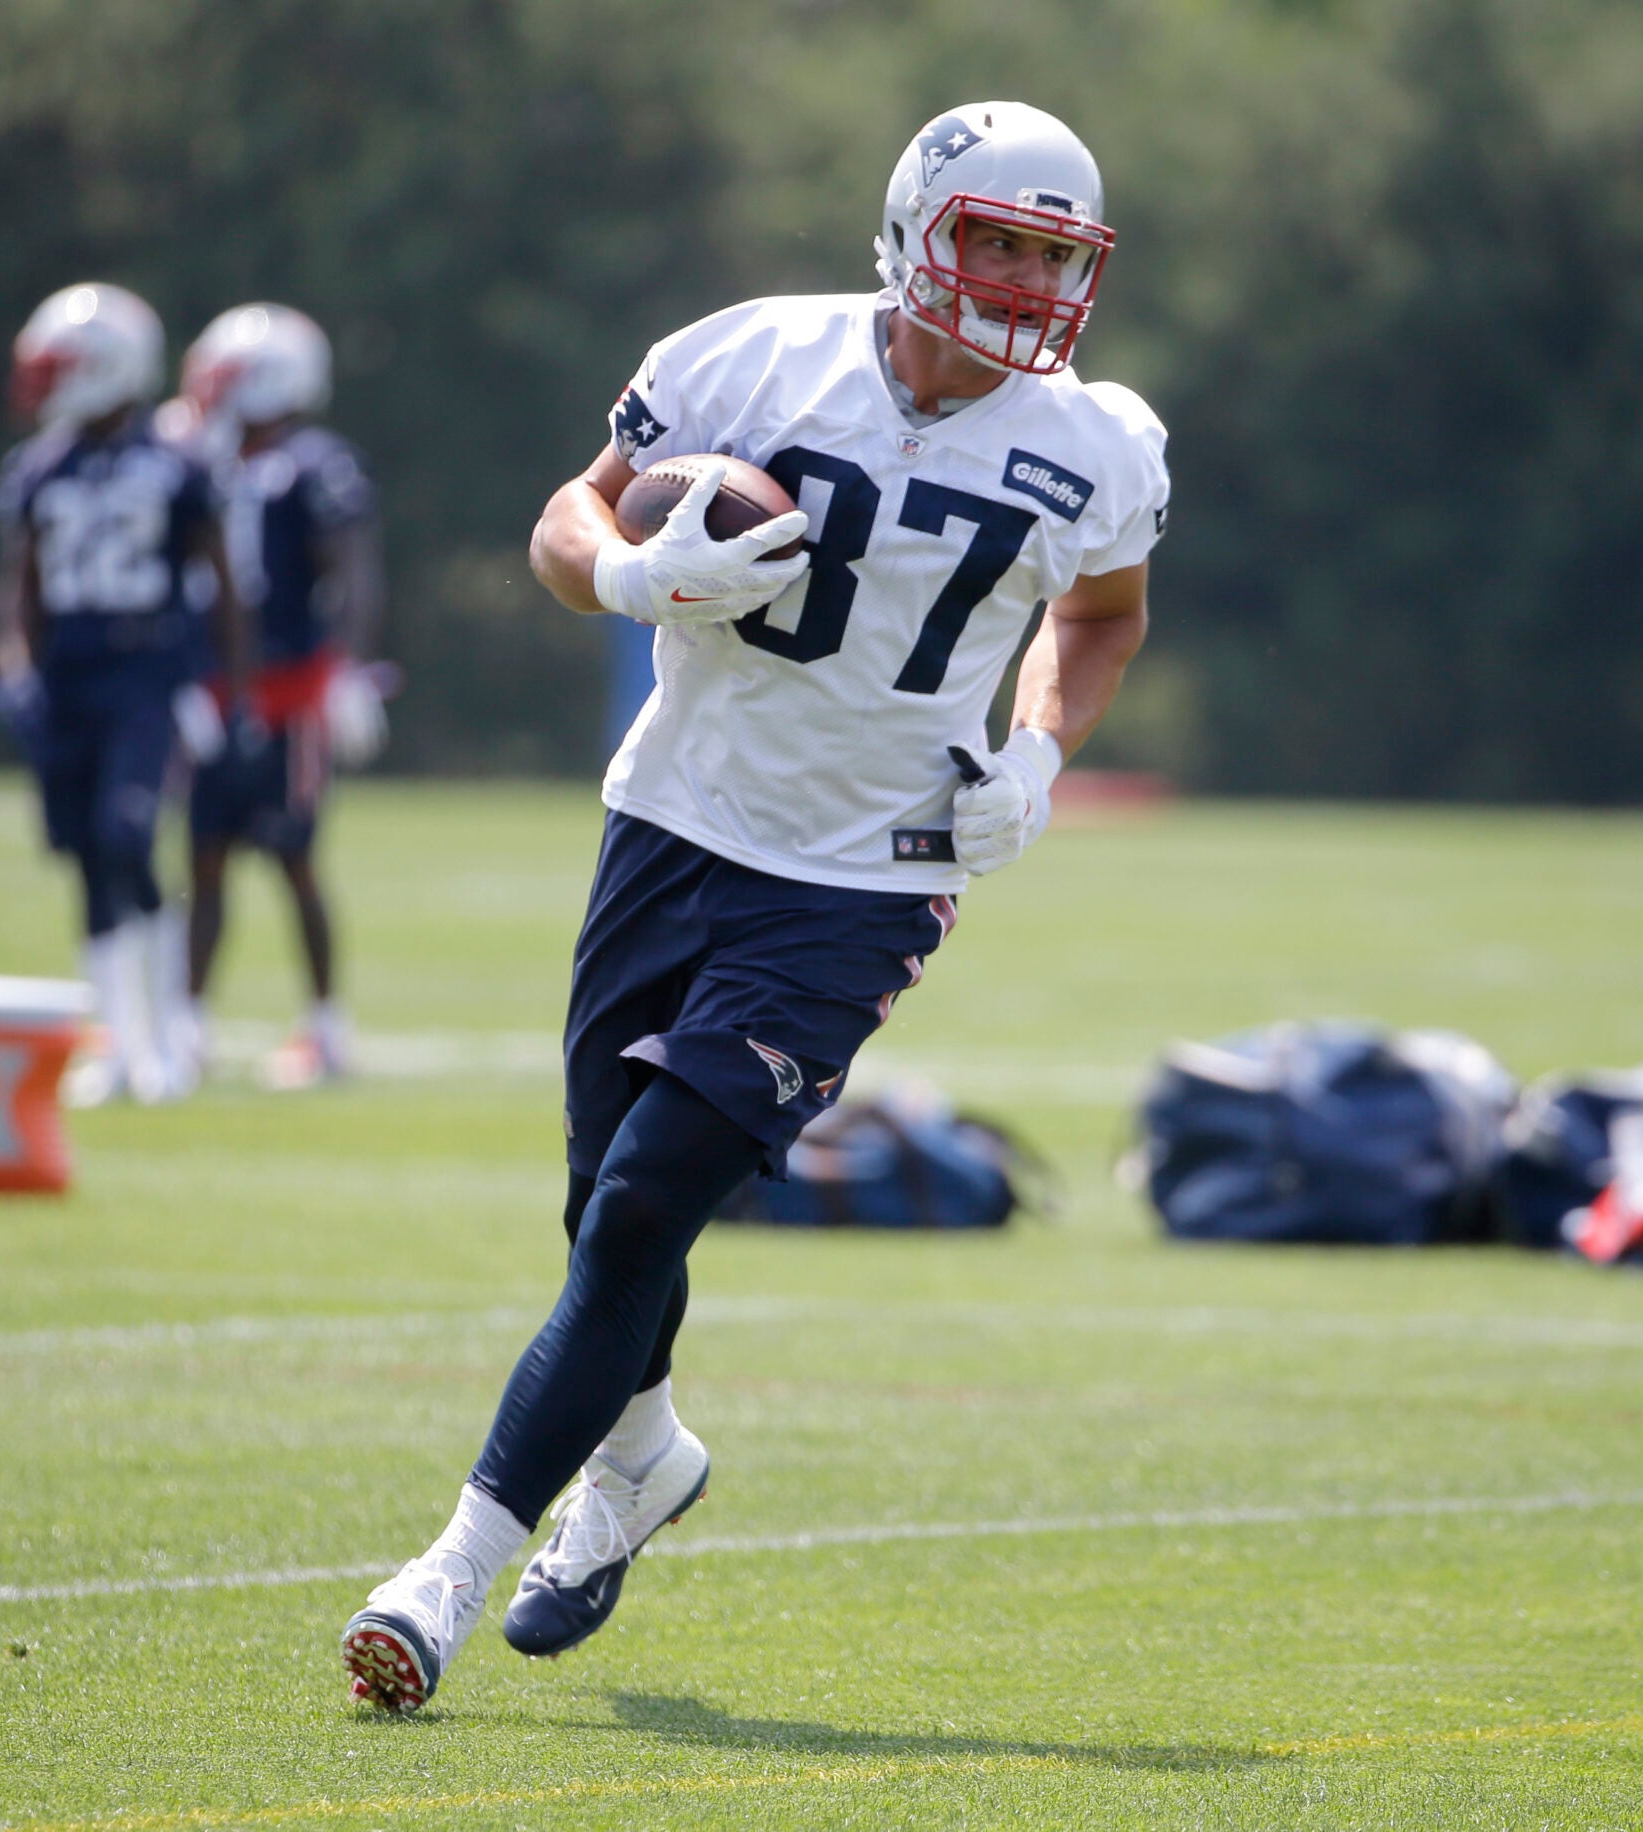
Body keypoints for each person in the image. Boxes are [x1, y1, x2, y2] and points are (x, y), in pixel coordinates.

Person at [341, 101, 1168, 1711]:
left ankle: (446, 1573)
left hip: (869, 873)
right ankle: (643, 1455)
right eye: (996, 239)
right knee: (602, 1210)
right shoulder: (748, 356)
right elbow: (566, 521)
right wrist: (634, 581)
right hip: (671, 818)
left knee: (651, 1203)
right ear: (918, 227)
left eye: (1052, 254)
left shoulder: (1096, 440)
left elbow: (1109, 618)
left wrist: (1042, 752)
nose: (1020, 282)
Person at [0, 283, 251, 1105]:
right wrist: (17, 671)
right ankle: (120, 1045)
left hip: (146, 675)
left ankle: (168, 1035)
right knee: (88, 859)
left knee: (127, 834)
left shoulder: (177, 463)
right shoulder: (36, 467)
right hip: (67, 679)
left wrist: (228, 692)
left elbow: (224, 582)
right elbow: (18, 587)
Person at [170, 305, 389, 1090]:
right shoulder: (205, 459)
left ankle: (328, 1030)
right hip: (216, 689)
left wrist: (350, 671)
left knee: (294, 858)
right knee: (202, 860)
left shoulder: (314, 461)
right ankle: (184, 1025)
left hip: (292, 688)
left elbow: (353, 568)